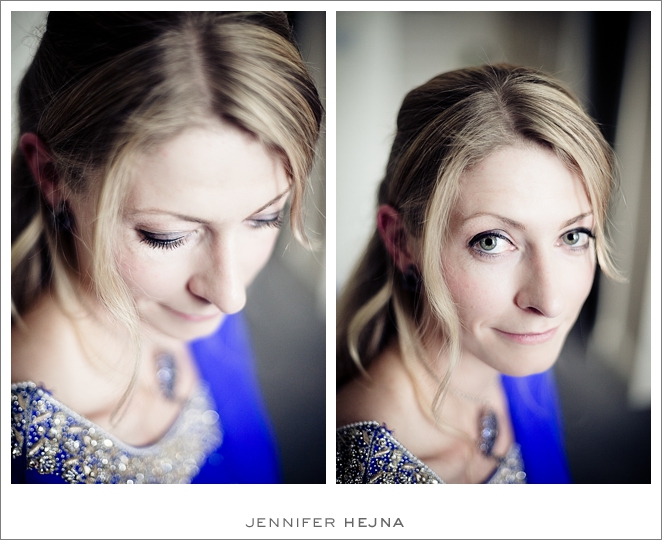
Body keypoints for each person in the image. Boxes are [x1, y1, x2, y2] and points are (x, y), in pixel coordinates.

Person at [11, 11, 323, 484]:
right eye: (167, 236)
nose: (230, 295)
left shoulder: (198, 315)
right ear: (54, 177)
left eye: (264, 218)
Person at [336, 64, 619, 484]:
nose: (550, 301)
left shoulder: (517, 370)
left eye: (574, 235)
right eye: (491, 241)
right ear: (401, 243)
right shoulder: (361, 475)